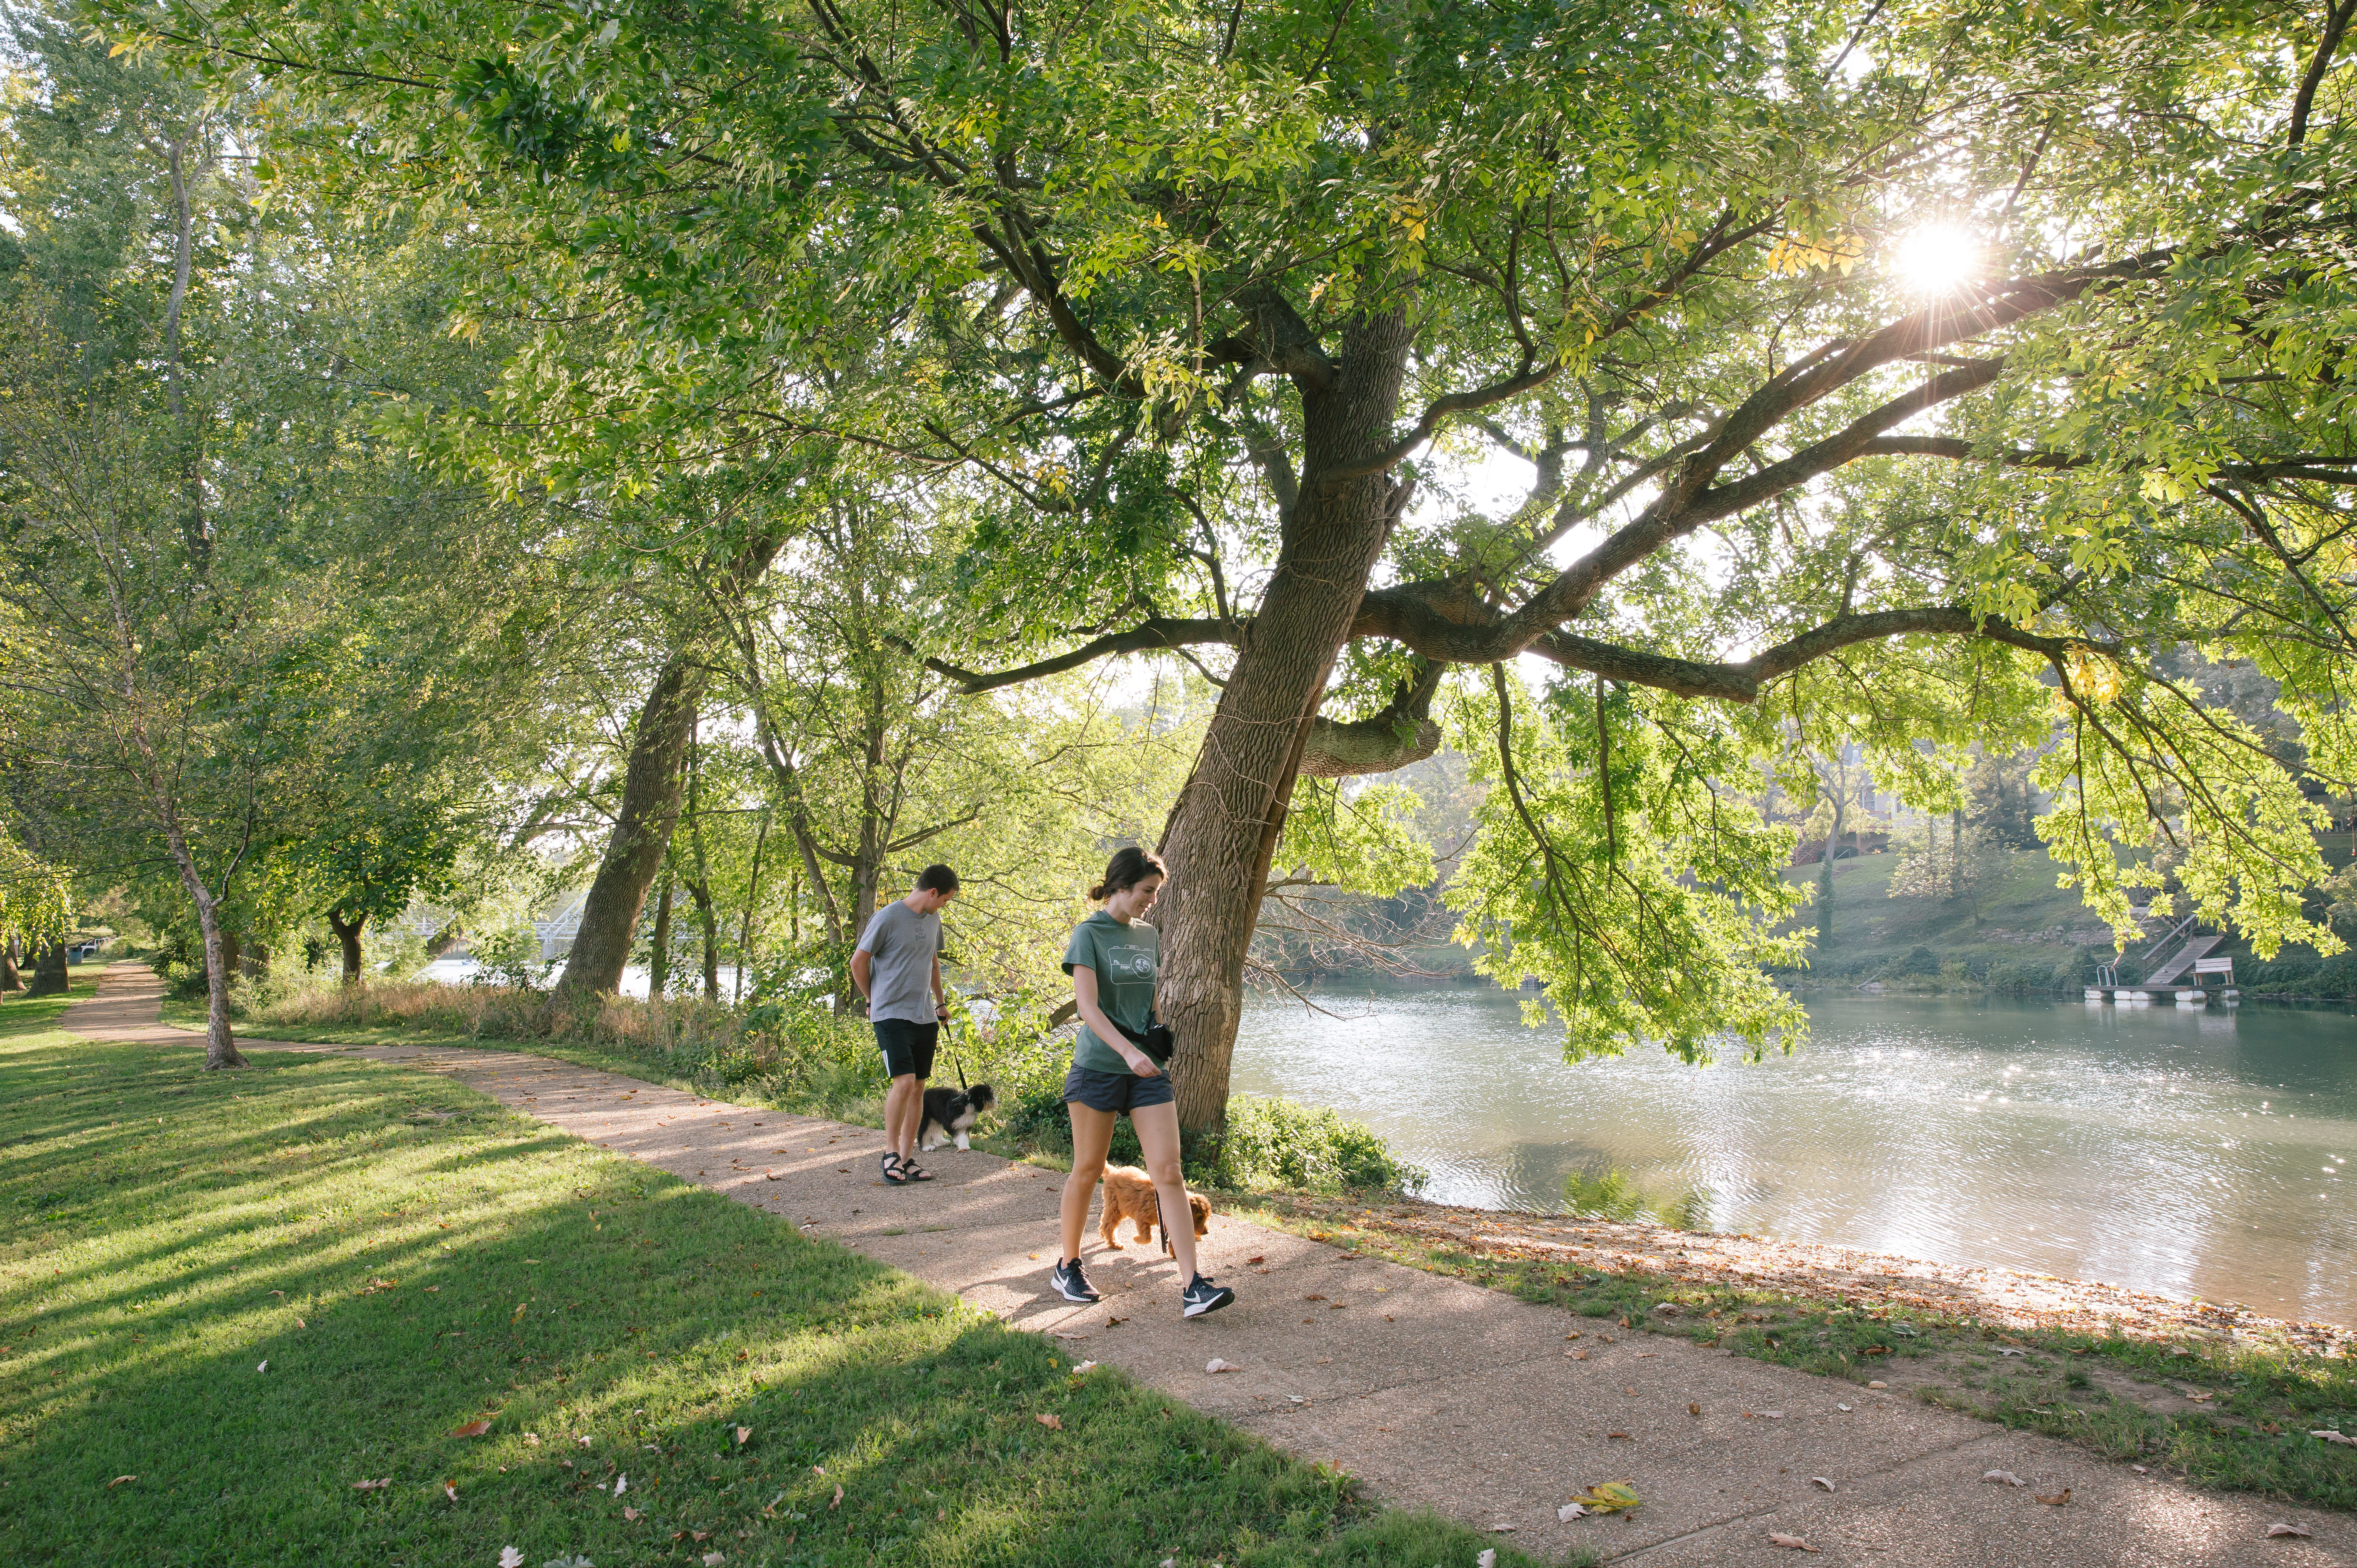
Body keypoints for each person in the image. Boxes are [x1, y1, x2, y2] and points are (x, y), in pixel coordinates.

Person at [1049, 846, 1235, 1319]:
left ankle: (1193, 1284)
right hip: (1099, 1067)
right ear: (1122, 886)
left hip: (1147, 1069)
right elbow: (1088, 1007)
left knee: (1169, 1172)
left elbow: (1148, 1000)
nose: (1153, 900)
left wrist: (1154, 1033)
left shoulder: (1149, 935)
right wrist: (1126, 1051)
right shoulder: (1088, 934)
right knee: (1088, 1170)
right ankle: (1068, 1264)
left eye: (1156, 892)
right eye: (1148, 891)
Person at [851, 863, 959, 1185]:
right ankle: (890, 1154)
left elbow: (933, 962)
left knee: (919, 1087)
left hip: (923, 1014)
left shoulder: (933, 919)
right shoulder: (887, 918)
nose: (944, 906)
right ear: (932, 892)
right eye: (945, 900)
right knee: (904, 1081)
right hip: (890, 1013)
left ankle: (908, 1156)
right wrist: (873, 999)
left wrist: (939, 1002)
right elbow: (858, 962)